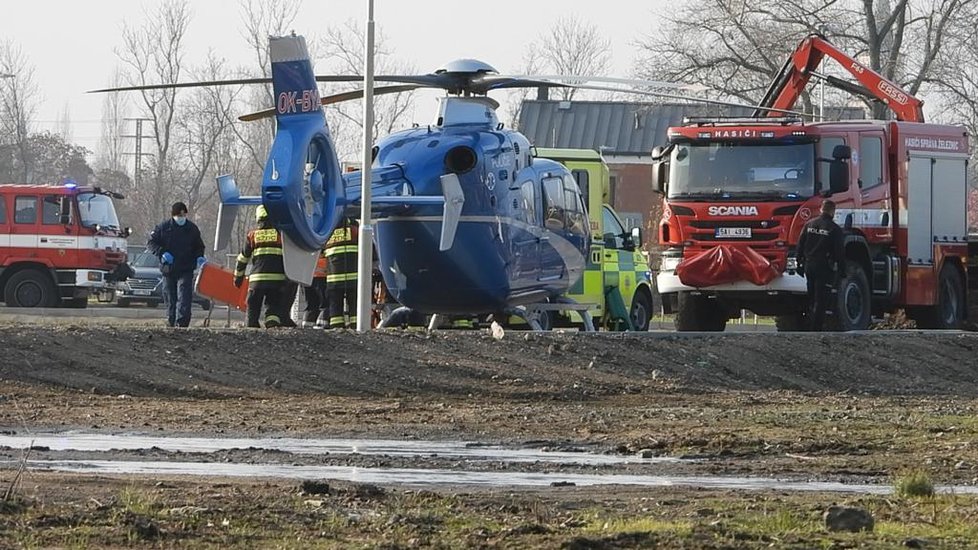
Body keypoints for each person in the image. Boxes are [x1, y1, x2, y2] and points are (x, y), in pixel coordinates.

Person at [148, 202, 206, 328]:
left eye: (184, 215)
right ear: (173, 215)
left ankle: (182, 323)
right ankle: (170, 321)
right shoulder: (164, 228)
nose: (181, 218)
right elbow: (152, 243)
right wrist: (162, 253)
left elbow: (199, 246)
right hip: (169, 269)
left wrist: (199, 256)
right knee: (170, 296)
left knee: (184, 296)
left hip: (186, 268)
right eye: (179, 216)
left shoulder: (192, 229)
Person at [233, 205, 287, 328]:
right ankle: (272, 328)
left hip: (256, 281)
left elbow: (242, 259)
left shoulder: (252, 235)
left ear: (258, 219)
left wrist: (238, 278)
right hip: (277, 281)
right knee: (273, 308)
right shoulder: (281, 235)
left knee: (253, 308)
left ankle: (252, 331)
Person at [797, 199, 846, 331]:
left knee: (811, 296)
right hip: (823, 267)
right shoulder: (834, 229)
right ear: (833, 212)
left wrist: (798, 263)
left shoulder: (809, 224)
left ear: (821, 209)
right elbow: (839, 252)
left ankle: (807, 323)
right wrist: (842, 270)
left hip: (809, 265)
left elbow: (800, 245)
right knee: (821, 298)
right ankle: (816, 328)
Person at [325, 216, 359, 329]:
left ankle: (336, 329)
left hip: (333, 277)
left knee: (335, 306)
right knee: (355, 305)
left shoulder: (327, 230)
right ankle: (356, 327)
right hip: (354, 277)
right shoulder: (355, 228)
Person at [303, 244, 330, 327]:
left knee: (311, 304)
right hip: (322, 276)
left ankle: (308, 321)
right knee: (325, 303)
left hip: (307, 275)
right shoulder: (324, 235)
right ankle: (323, 320)